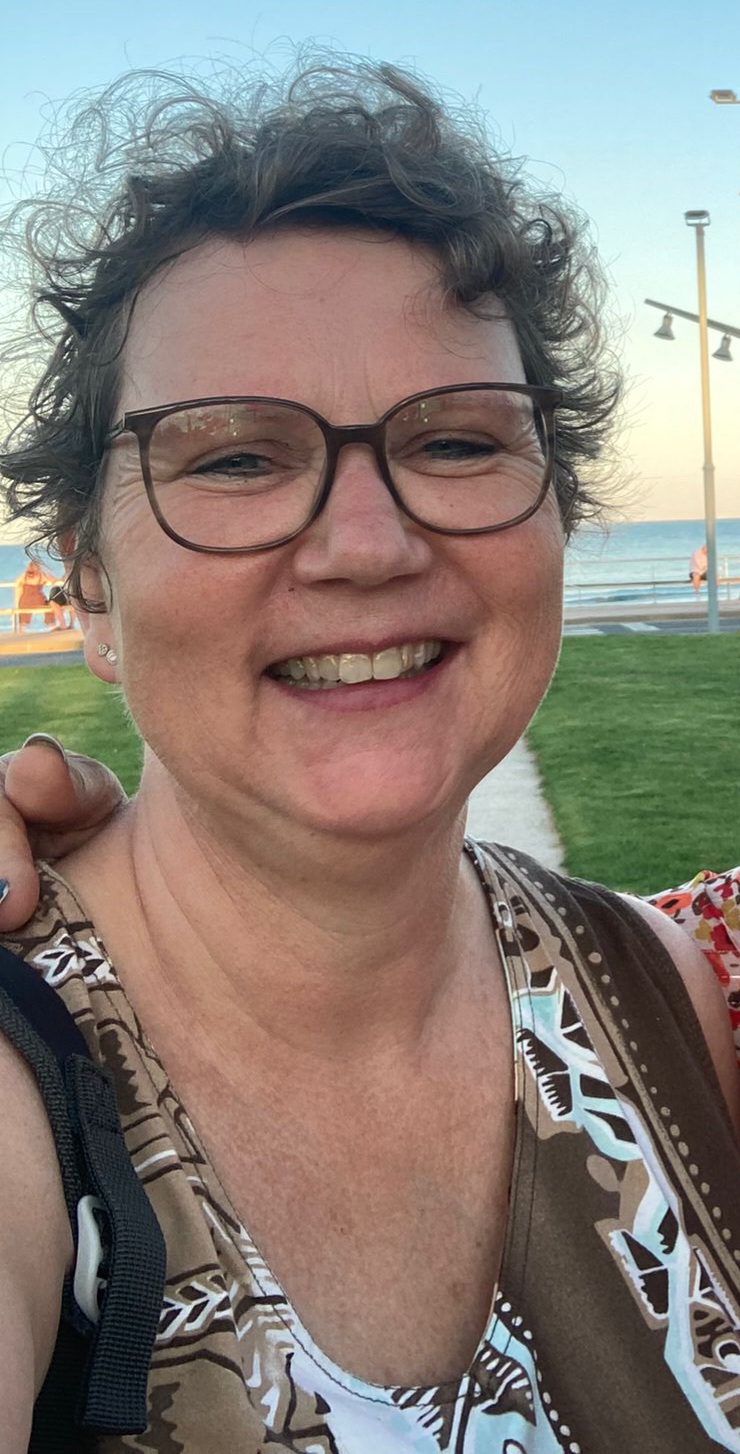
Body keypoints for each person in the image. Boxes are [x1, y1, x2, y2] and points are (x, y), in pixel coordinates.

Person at [1, 60, 739, 1454]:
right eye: (233, 459)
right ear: (88, 585)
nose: (366, 543)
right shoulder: (19, 1078)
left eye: (454, 440)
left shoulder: (662, 994)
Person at [13, 560, 65, 630]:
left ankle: (22, 629)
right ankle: (52, 625)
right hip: (38, 599)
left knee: (24, 617)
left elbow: (17, 588)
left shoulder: (24, 577)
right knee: (50, 607)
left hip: (27, 600)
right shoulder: (41, 576)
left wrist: (17, 601)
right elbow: (54, 580)